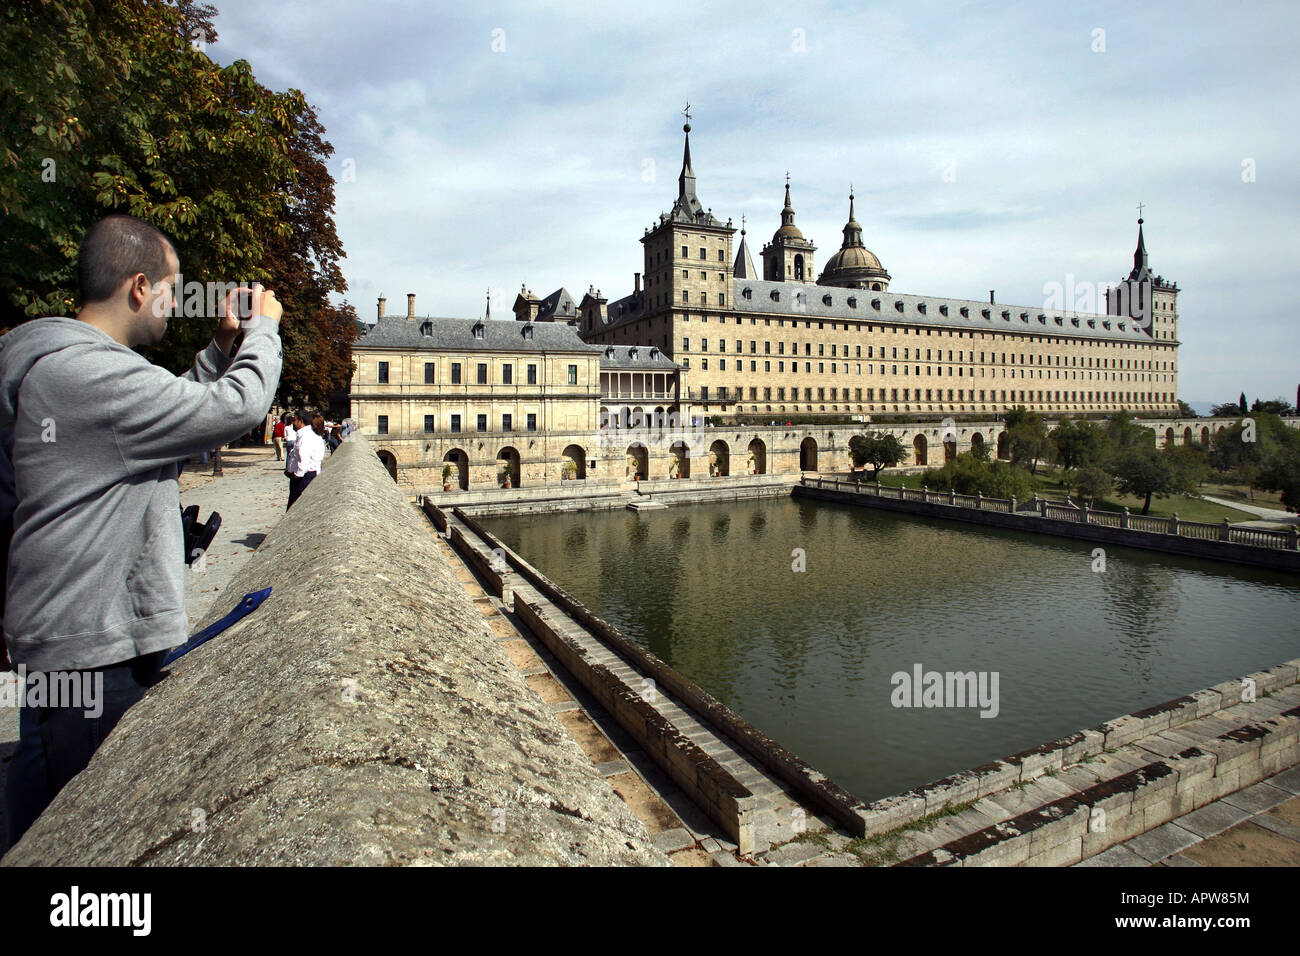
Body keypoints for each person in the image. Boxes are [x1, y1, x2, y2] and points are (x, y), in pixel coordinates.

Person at [0, 214, 283, 846]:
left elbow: (159, 430)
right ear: (137, 287)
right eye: (171, 289)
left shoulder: (70, 368)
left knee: (53, 803)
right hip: (92, 652)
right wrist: (265, 329)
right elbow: (238, 408)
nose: (176, 303)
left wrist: (217, 353)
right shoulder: (83, 373)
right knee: (67, 832)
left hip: (82, 643)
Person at [287, 412, 324, 509]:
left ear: (301, 421)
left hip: (304, 477)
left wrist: (296, 475)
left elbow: (303, 460)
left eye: (294, 420)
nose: (293, 423)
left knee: (295, 508)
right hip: (305, 476)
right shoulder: (306, 435)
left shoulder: (306, 437)